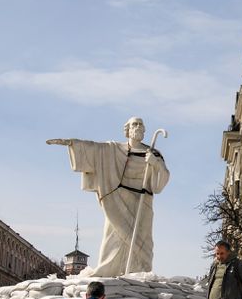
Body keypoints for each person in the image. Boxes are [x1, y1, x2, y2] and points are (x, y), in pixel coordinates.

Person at [48, 117, 170, 276]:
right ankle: (109, 270)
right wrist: (72, 143)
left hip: (142, 201)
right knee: (113, 236)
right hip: (117, 199)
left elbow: (161, 182)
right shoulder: (114, 149)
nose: (138, 127)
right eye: (135, 124)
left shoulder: (153, 153)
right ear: (127, 130)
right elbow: (94, 149)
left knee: (143, 240)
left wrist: (156, 164)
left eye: (141, 124)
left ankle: (138, 271)